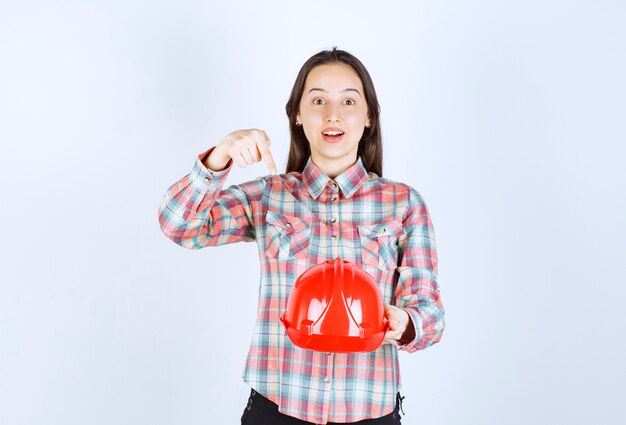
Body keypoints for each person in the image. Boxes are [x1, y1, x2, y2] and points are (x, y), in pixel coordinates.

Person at [158, 47, 445, 425]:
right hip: (277, 408)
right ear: (297, 114)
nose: (333, 114)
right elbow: (180, 225)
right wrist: (220, 156)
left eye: (348, 101)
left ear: (369, 116)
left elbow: (430, 314)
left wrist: (403, 322)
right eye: (318, 100)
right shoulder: (269, 196)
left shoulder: (404, 203)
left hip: (368, 411)